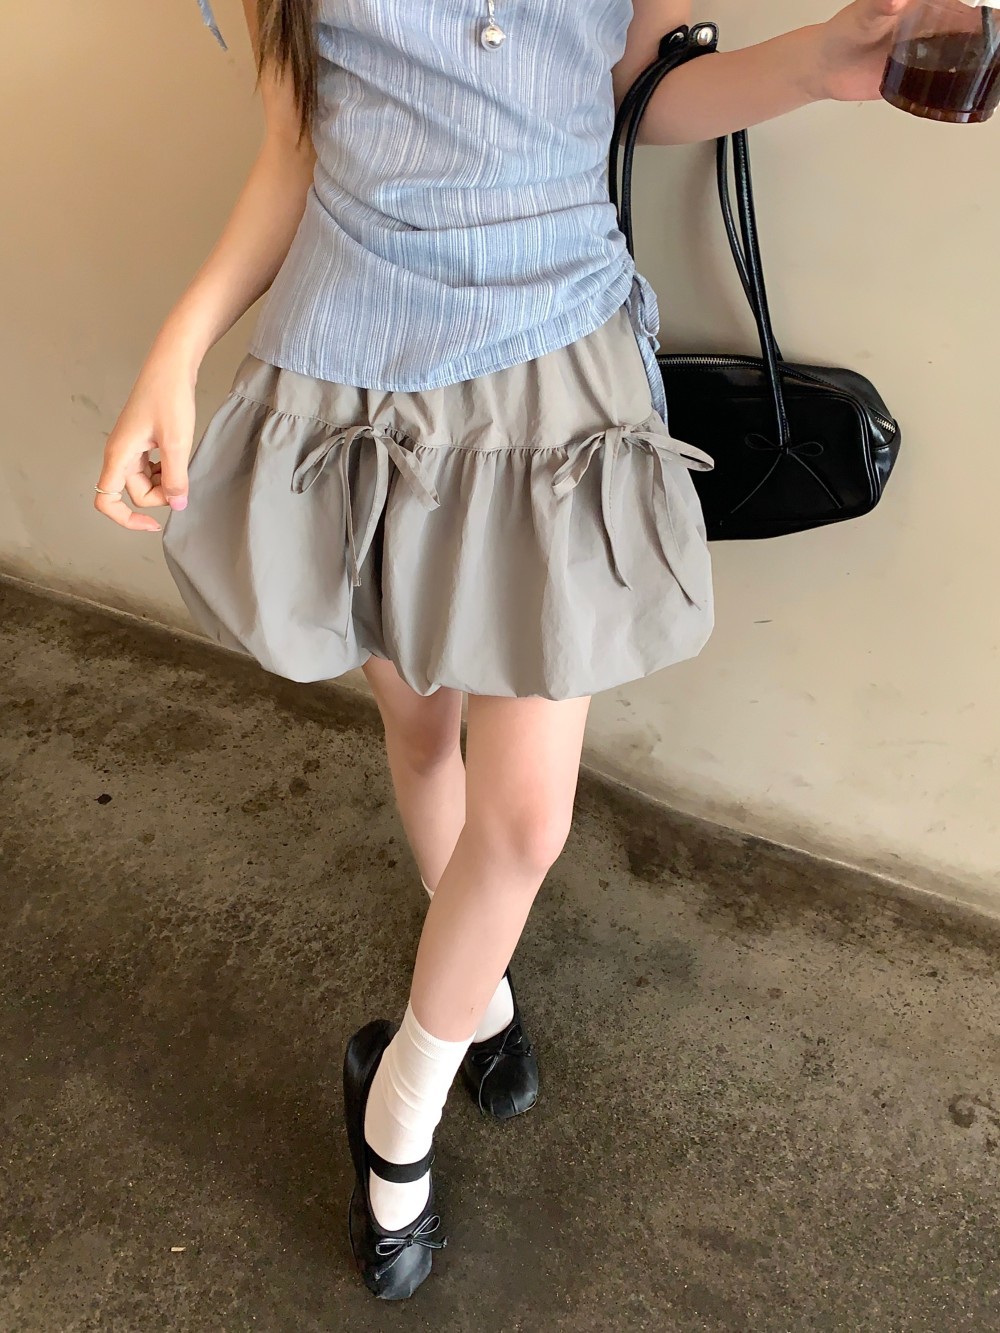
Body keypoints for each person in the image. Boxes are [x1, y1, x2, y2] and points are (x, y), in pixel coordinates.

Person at [94, 0, 907, 1301]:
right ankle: (479, 1004)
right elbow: (296, 149)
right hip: (357, 379)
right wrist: (174, 353)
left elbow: (637, 90)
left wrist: (815, 64)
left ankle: (396, 1110)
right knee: (421, 731)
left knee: (524, 820)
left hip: (553, 383)